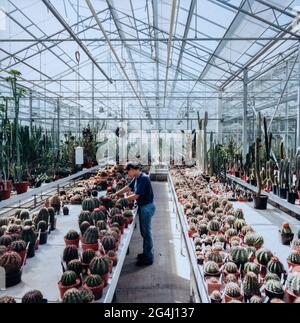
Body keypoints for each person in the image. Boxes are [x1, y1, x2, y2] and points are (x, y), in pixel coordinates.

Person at [112, 162, 155, 266]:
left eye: (128, 172)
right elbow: (128, 187)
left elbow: (136, 196)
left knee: (146, 233)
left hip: (146, 207)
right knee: (144, 232)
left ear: (132, 169)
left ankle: (148, 258)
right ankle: (146, 253)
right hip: (143, 207)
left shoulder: (143, 178)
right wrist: (116, 194)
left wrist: (122, 199)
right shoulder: (137, 178)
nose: (127, 174)